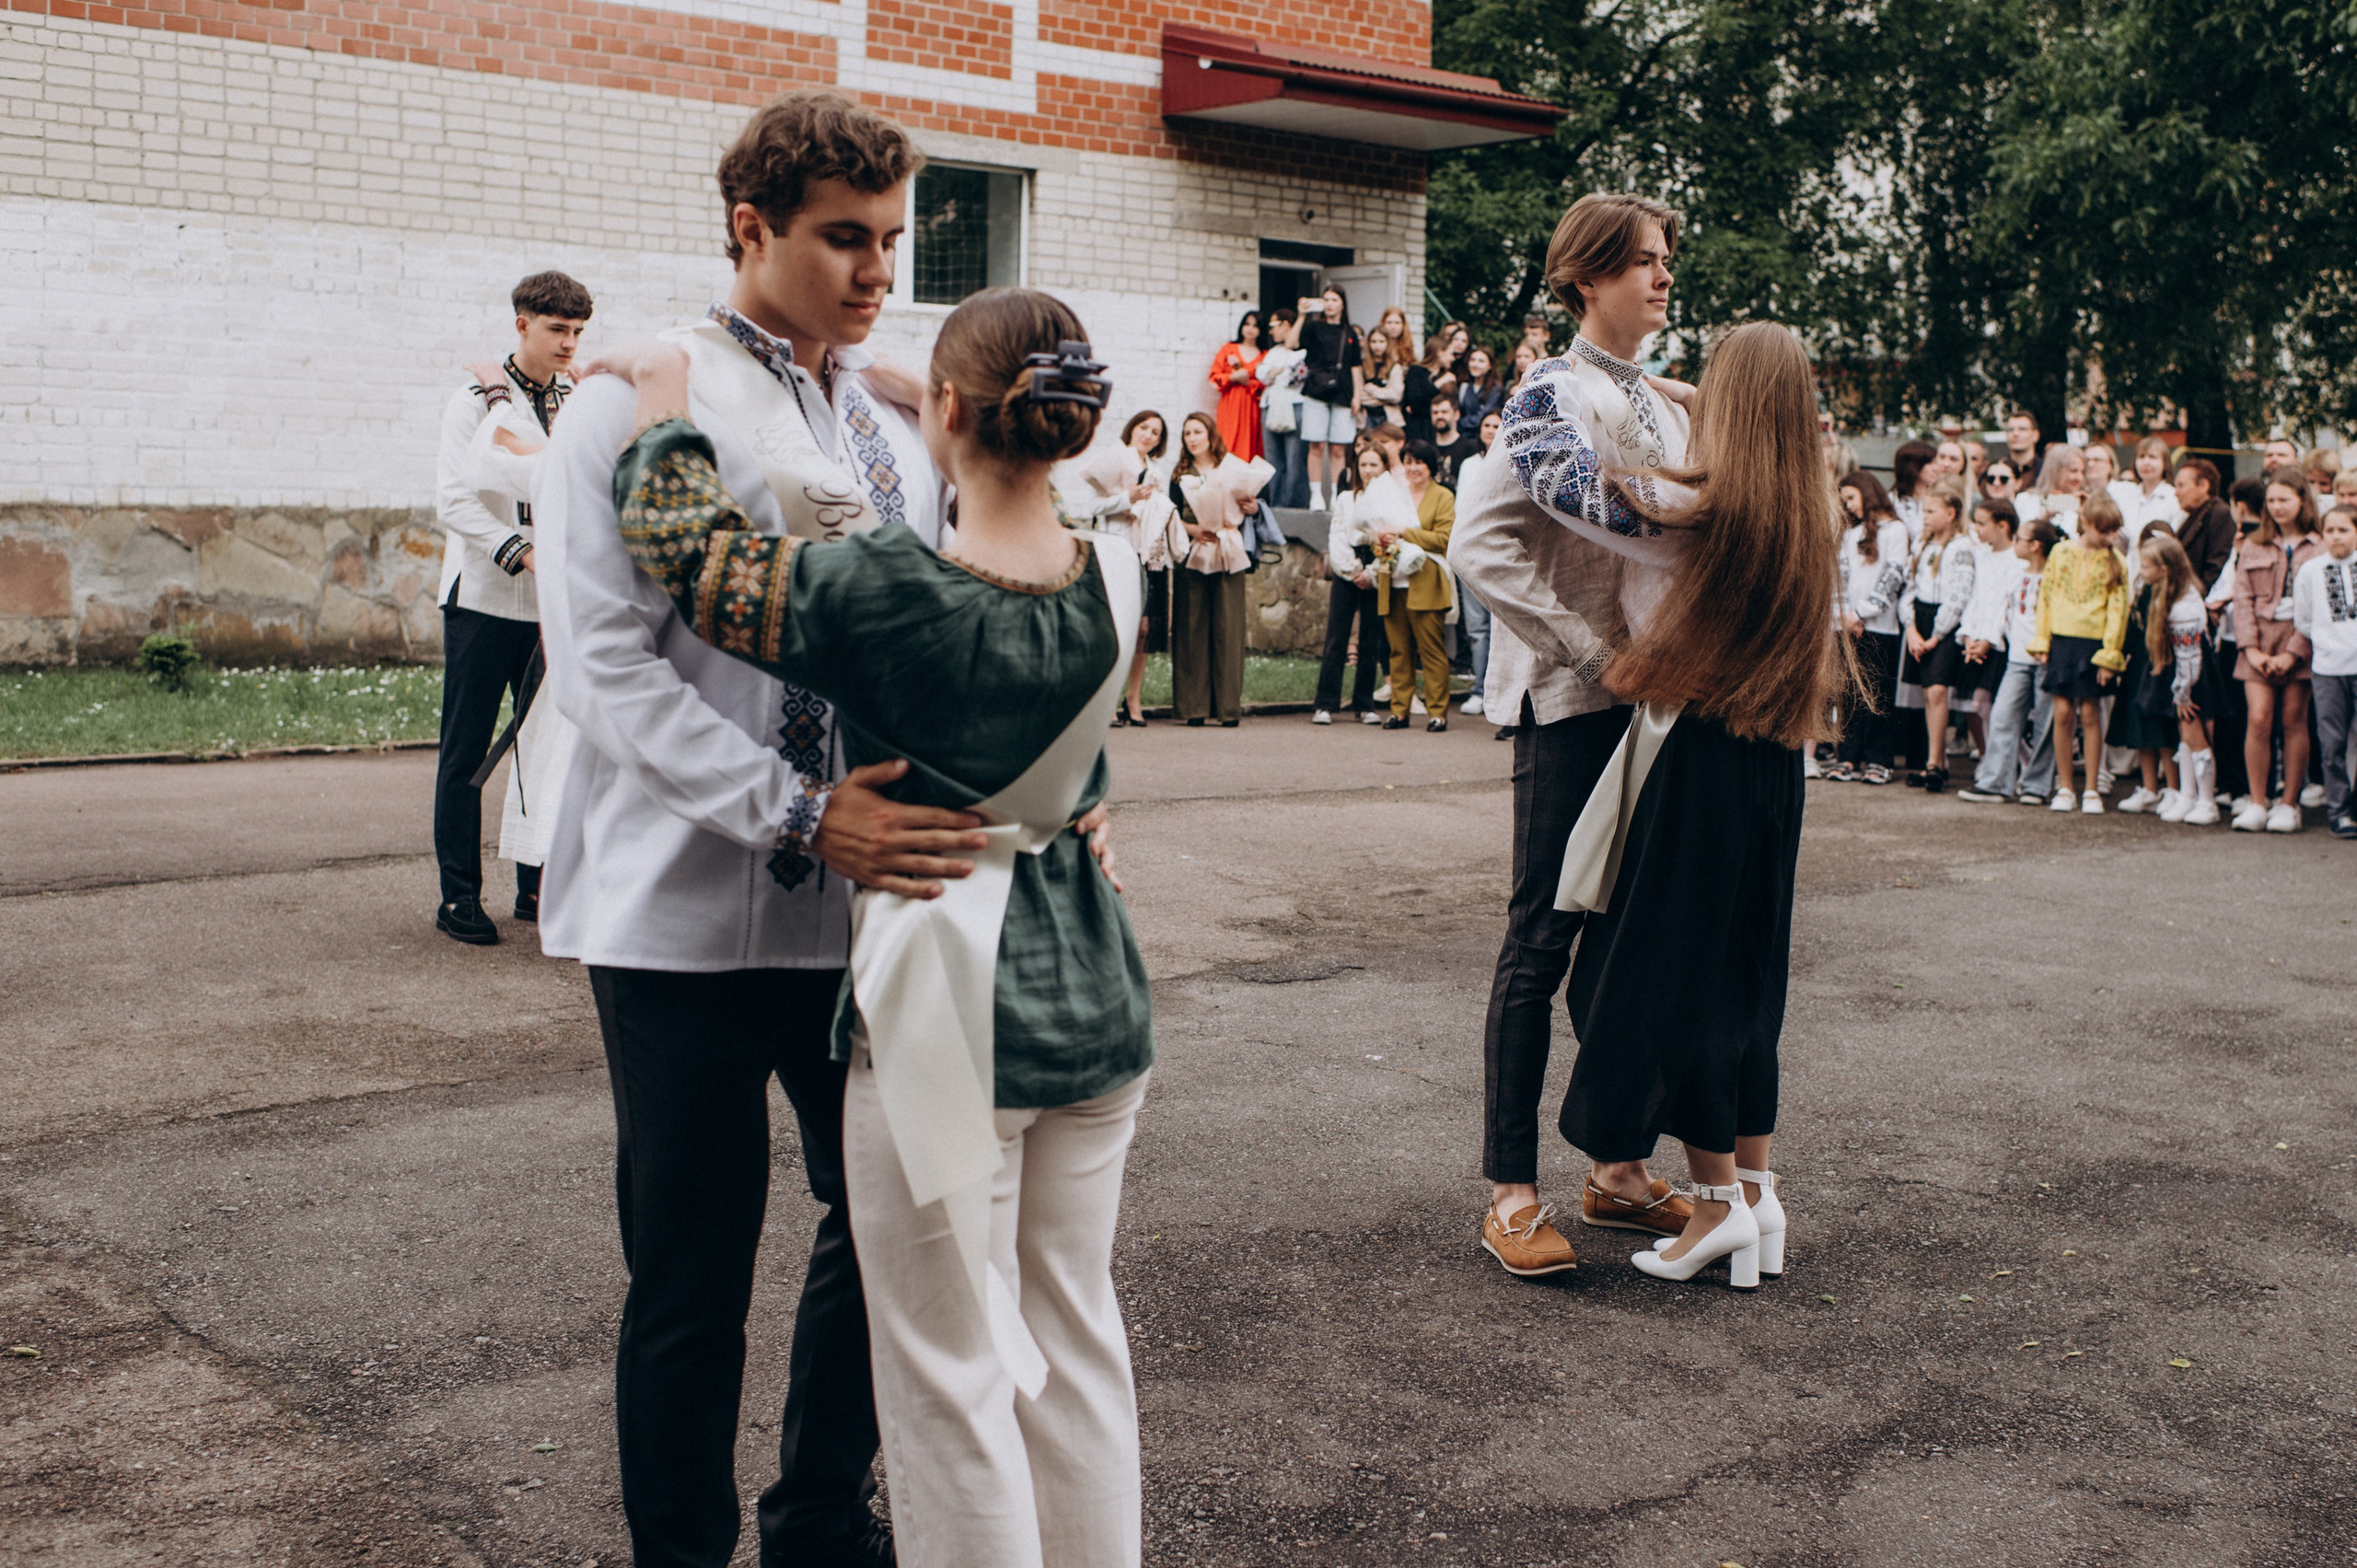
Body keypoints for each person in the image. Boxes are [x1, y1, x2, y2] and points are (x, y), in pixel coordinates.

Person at [600, 285, 1153, 1568]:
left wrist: (665, 395)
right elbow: (1050, 486)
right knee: (1073, 1339)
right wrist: (936, 393)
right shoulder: (1109, 566)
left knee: (949, 1374)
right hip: (1095, 993)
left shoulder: (889, 592)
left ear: (952, 413)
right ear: (1068, 425)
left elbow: (693, 556)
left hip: (946, 1004)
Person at [533, 90, 994, 1568]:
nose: (877, 274)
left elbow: (928, 636)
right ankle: (680, 1546)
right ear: (753, 228)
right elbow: (600, 669)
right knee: (688, 1264)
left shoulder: (877, 420)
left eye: (893, 242)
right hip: (678, 906)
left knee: (894, 1215)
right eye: (844, 241)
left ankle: (815, 1513)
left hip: (857, 915)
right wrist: (799, 810)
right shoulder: (630, 398)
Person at [1504, 320, 1846, 1290]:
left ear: (1728, 407)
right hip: (1775, 757)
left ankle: (1713, 1211)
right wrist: (1697, 393)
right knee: (1749, 982)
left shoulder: (1684, 503)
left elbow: (1546, 465)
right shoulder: (1806, 497)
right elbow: (1759, 426)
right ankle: (1758, 1195)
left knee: (1686, 981)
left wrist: (1560, 377)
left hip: (1699, 752)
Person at [1451, 192, 1692, 1277]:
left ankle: (1618, 1169)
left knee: (1636, 948)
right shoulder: (1549, 394)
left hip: (1666, 710)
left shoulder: (1668, 406)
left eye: (1665, 259)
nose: (1661, 275)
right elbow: (1479, 546)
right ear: (1585, 276)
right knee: (1539, 943)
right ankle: (1508, 1193)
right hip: (1574, 708)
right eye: (1640, 260)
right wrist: (1592, 654)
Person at [431, 269, 590, 945]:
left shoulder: (578, 396)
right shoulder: (473, 398)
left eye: (578, 332)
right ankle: (459, 896)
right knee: (468, 749)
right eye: (557, 329)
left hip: (551, 606)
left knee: (545, 748)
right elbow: (453, 500)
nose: (568, 344)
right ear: (522, 324)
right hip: (485, 599)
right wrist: (519, 552)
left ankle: (535, 884)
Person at [2229, 468, 2323, 831]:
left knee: (2294, 720)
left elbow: (2318, 609)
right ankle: (2257, 801)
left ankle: (2289, 803)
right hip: (2259, 642)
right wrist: (2251, 650)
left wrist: (2293, 653)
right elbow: (2242, 598)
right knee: (2258, 718)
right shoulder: (2254, 543)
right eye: (2272, 501)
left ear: (2302, 500)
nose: (2278, 507)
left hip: (2300, 642)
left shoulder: (2319, 545)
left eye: (2285, 499)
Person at [2029, 494, 2130, 816]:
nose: (2109, 537)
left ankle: (2091, 788)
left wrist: (2109, 653)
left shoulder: (2117, 561)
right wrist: (2042, 639)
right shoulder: (2060, 552)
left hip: (2094, 644)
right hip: (2062, 640)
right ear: (2086, 523)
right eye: (2104, 530)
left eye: (2113, 531)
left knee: (2090, 714)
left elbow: (2119, 609)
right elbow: (2046, 596)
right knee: (2061, 713)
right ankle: (2065, 786)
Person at [1077, 410, 1173, 726]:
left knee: (1144, 629)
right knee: (1117, 627)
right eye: (1144, 427)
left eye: (1155, 432)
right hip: (1118, 548)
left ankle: (1134, 699)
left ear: (1160, 441)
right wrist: (1126, 498)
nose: (1148, 435)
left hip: (1149, 553)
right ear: (1133, 429)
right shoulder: (1116, 458)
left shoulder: (1157, 471)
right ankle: (1107, 701)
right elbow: (1093, 506)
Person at [1168, 411, 1261, 726]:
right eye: (1187, 434)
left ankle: (1227, 708)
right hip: (1192, 553)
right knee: (1192, 626)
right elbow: (1168, 516)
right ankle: (1193, 707)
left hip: (1228, 551)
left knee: (1227, 626)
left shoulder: (1231, 469)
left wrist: (1253, 508)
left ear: (1210, 435)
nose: (1192, 438)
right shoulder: (1179, 474)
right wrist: (1192, 529)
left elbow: (1251, 507)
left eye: (1197, 432)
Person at [1959, 512, 2059, 805]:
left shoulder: (2052, 577)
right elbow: (2004, 612)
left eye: (2021, 539)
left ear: (2036, 546)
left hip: (2045, 657)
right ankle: (1995, 783)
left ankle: (2036, 786)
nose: (2016, 543)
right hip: (2017, 656)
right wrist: (1989, 640)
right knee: (2002, 716)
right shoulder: (2017, 575)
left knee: (2045, 722)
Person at [2127, 532, 2223, 824]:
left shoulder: (2184, 607)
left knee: (2195, 738)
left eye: (2146, 566)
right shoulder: (2166, 594)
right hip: (2182, 674)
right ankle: (2187, 796)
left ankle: (2207, 801)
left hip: (2192, 678)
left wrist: (2183, 694)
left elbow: (2190, 655)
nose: (2142, 572)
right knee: (2184, 736)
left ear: (2164, 569)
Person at [1314, 442, 1405, 726]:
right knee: (1337, 637)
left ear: (1384, 469)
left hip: (1376, 568)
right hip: (1348, 569)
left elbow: (1395, 539)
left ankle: (1364, 703)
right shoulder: (1345, 498)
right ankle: (1325, 703)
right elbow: (1338, 535)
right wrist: (1353, 570)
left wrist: (1372, 573)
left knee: (1370, 639)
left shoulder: (1392, 500)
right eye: (1363, 465)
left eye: (1374, 465)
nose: (1368, 471)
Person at [1827, 470, 1908, 784]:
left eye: (1851, 497)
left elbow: (1893, 576)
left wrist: (1862, 613)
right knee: (1848, 691)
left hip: (1880, 627)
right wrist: (1844, 614)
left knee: (1878, 693)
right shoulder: (1849, 534)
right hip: (1846, 626)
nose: (1847, 505)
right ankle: (1847, 756)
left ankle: (1879, 759)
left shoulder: (1895, 530)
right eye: (1843, 499)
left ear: (1867, 494)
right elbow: (1839, 578)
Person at [1899, 478, 1974, 791]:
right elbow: (1909, 589)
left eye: (1932, 511)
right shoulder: (1921, 545)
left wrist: (1936, 634)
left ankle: (1933, 762)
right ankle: (1937, 759)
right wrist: (1913, 629)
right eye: (1924, 511)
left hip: (1944, 625)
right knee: (1927, 692)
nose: (1926, 516)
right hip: (1922, 620)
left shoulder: (1961, 548)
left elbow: (1960, 594)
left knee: (1938, 691)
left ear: (1951, 513)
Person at [1379, 438, 1457, 731]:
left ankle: (1438, 712)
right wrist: (1384, 536)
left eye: (1419, 462)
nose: (1413, 468)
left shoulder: (1442, 497)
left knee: (1431, 650)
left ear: (1431, 467)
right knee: (1398, 650)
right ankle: (1399, 710)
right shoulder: (1395, 494)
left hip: (1426, 578)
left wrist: (1405, 532)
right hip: (1394, 578)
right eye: (1408, 462)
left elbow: (1444, 539)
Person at [2296, 506, 2357, 837]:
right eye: (2330, 530)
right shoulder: (2311, 570)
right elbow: (2303, 619)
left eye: (2344, 530)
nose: (2336, 537)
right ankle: (2339, 810)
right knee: (2332, 742)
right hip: (2329, 666)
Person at [1296, 287, 1363, 508]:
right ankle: (1316, 494)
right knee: (1316, 444)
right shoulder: (1314, 328)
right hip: (1316, 391)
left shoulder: (1350, 333)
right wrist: (1302, 315)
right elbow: (1292, 343)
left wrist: (1357, 396)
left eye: (1334, 299)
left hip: (1342, 393)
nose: (1330, 304)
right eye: (1326, 299)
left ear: (1342, 303)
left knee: (1338, 448)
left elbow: (1356, 367)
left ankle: (1337, 494)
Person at [1256, 307, 1309, 509]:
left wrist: (1275, 373)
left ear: (1286, 325)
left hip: (1295, 406)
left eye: (1274, 326)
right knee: (1273, 459)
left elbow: (1296, 377)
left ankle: (1294, 506)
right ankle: (1276, 505)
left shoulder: (1303, 351)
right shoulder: (1273, 352)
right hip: (1270, 407)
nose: (1271, 331)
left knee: (1295, 459)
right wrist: (1276, 372)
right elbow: (1261, 374)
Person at [1207, 311, 1264, 463]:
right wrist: (1232, 378)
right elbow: (1214, 377)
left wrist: (1249, 384)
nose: (1250, 329)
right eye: (1247, 324)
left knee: (1249, 445)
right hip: (1230, 405)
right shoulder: (1229, 349)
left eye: (1255, 325)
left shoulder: (1265, 355)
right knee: (1227, 441)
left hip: (1251, 407)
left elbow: (1267, 386)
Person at [2113, 435, 2185, 545]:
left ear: (2165, 462)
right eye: (2141, 457)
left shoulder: (2173, 498)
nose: (2146, 462)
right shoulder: (2126, 495)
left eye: (2153, 457)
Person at [2019, 445, 2084, 533]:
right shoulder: (2027, 499)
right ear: (2055, 470)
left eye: (2082, 472)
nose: (2079, 478)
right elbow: (2021, 536)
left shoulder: (2081, 501)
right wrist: (2046, 515)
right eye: (2073, 471)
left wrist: (2085, 514)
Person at [1357, 327, 1405, 434]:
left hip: (1389, 418)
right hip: (1366, 419)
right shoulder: (1362, 366)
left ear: (1388, 343)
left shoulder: (1394, 367)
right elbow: (1359, 396)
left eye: (1381, 341)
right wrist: (1385, 399)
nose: (1377, 346)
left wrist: (1372, 389)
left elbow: (1396, 395)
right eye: (1373, 341)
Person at [1428, 390, 1480, 488]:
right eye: (1435, 412)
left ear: (1457, 415)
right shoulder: (1427, 447)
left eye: (1444, 412)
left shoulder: (1470, 448)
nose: (1439, 416)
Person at [1889, 439, 1936, 543]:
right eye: (1930, 463)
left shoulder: (1937, 498)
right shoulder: (1892, 500)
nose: (1935, 468)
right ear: (1913, 466)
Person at [1457, 345, 1504, 429]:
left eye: (1481, 361)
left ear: (1490, 366)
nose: (1475, 364)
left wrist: (1460, 423)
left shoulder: (1496, 390)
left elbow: (1482, 417)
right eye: (1472, 360)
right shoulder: (1464, 386)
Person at [2003, 410, 2045, 489]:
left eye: (2022, 429)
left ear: (2036, 435)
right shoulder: (1993, 473)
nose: (2015, 434)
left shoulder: (2046, 470)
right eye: (2010, 430)